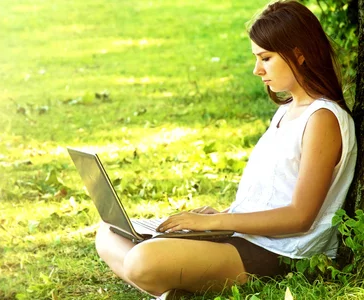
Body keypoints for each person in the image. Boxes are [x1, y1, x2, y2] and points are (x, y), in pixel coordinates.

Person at [94, 1, 358, 299]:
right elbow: (275, 192)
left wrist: (214, 222)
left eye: (266, 58)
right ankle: (172, 288)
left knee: (141, 260)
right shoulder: (288, 110)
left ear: (299, 54)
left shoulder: (323, 118)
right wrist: (224, 215)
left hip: (280, 251)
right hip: (246, 235)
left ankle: (169, 284)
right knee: (108, 231)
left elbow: (300, 217)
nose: (257, 70)